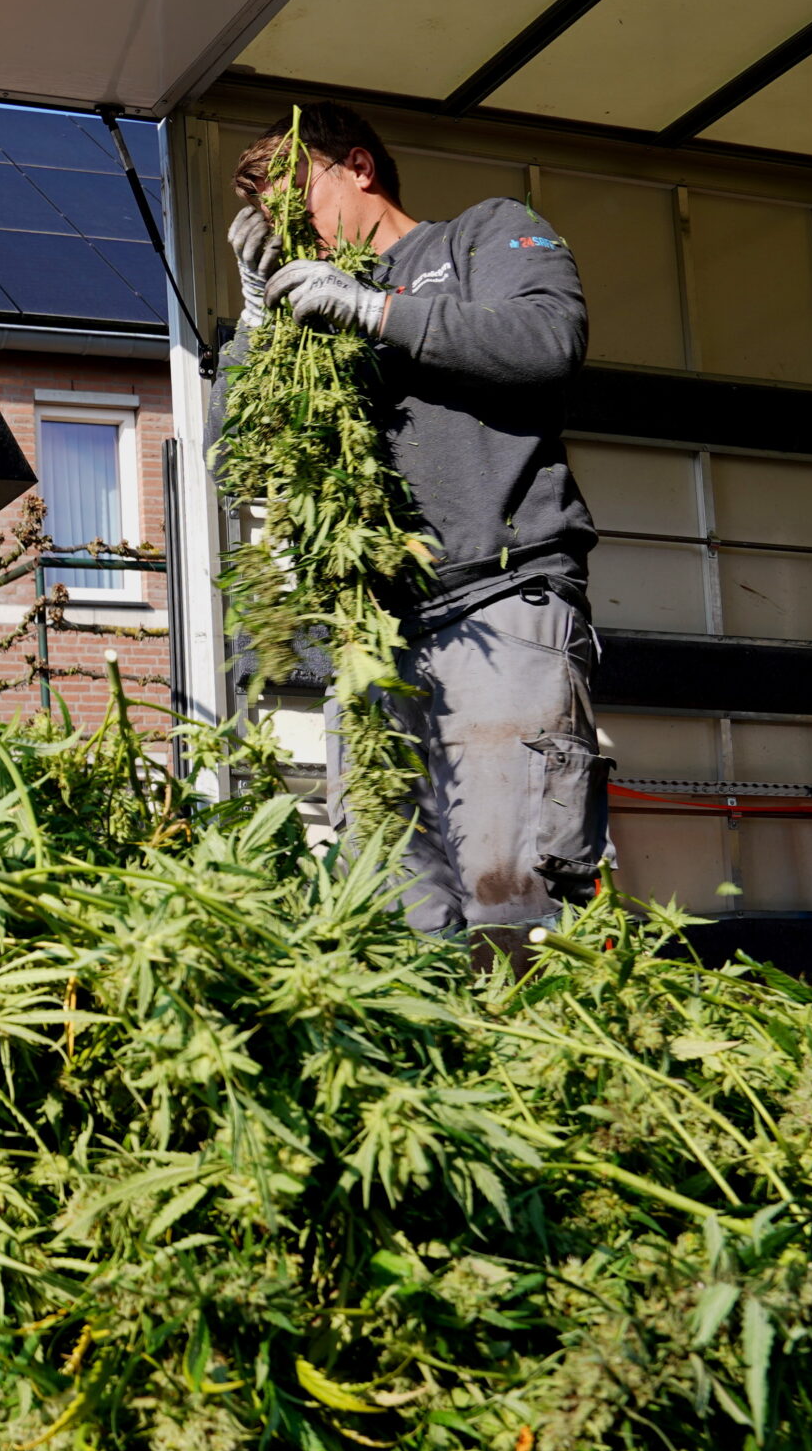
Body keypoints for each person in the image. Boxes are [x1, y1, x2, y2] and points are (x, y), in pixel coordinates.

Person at [230, 102, 607, 937]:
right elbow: (239, 445)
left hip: (498, 602)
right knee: (393, 905)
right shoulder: (304, 315)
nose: (293, 231)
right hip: (372, 639)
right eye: (268, 222)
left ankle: (531, 1057)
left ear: (358, 168)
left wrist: (377, 312)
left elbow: (549, 337)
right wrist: (258, 316)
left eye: (297, 200)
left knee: (511, 894)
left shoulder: (482, 235)